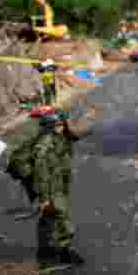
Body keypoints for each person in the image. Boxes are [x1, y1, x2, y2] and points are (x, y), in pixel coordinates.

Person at [30, 108, 91, 266]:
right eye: (57, 125)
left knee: (48, 217)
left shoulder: (58, 138)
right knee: (63, 219)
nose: (61, 127)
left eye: (62, 124)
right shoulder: (43, 148)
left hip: (60, 182)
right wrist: (44, 198)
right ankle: (64, 251)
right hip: (51, 187)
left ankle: (45, 249)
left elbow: (71, 137)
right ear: (49, 126)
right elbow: (41, 175)